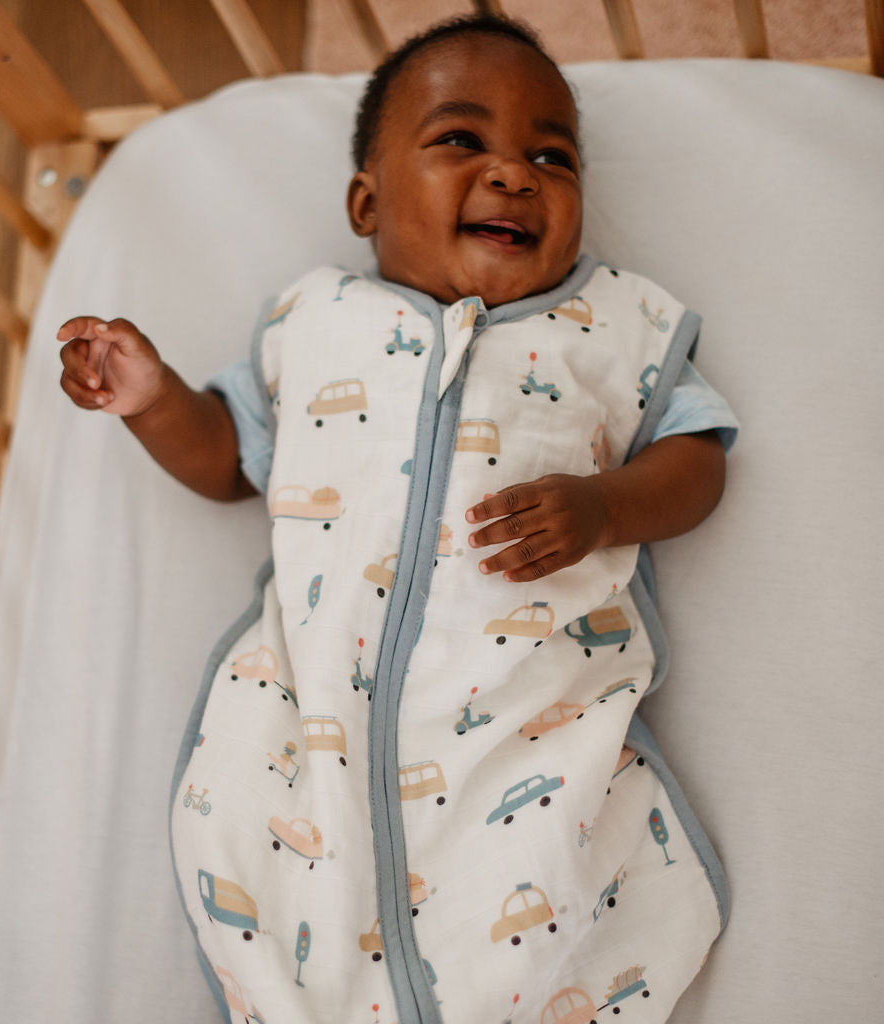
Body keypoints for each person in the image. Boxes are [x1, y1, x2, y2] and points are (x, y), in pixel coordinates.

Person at [58, 14, 735, 1024]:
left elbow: (698, 457)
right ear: (366, 200)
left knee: (538, 894)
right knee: (263, 849)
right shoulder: (318, 323)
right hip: (315, 721)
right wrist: (155, 401)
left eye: (551, 157)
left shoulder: (611, 327)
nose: (512, 174)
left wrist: (605, 507)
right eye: (461, 139)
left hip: (522, 723)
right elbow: (229, 459)